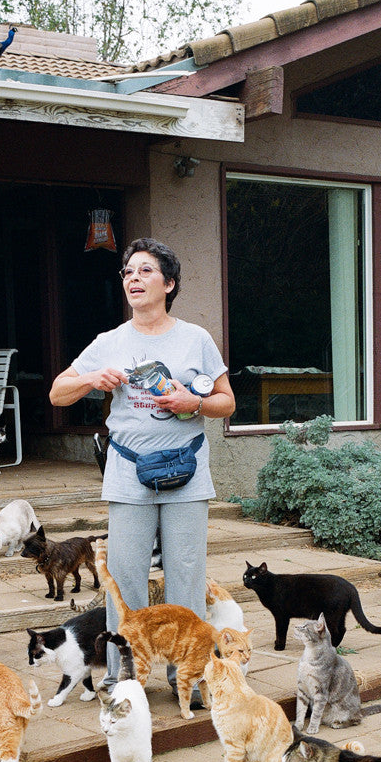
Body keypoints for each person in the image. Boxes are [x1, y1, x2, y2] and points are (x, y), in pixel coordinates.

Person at [50, 237, 235, 682]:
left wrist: (191, 401)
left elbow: (226, 402)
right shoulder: (108, 341)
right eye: (128, 272)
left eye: (145, 271)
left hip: (186, 472)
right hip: (128, 472)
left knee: (186, 579)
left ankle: (186, 676)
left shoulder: (196, 339)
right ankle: (124, 675)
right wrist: (92, 377)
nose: (134, 278)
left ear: (169, 283)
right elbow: (58, 392)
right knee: (125, 580)